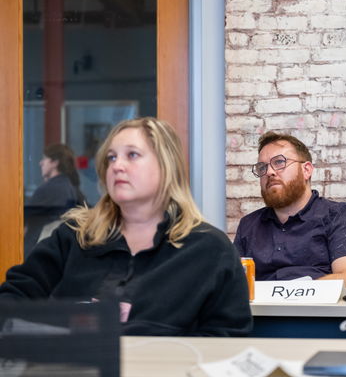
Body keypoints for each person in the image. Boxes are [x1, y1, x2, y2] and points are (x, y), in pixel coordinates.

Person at [2, 117, 252, 336]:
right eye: (111, 157)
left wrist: (140, 331)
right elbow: (10, 301)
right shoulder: (74, 236)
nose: (117, 166)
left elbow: (227, 340)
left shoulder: (210, 249)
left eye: (132, 155)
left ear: (166, 167)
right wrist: (75, 320)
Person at [234, 131, 346, 287]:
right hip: (260, 311)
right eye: (262, 167)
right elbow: (233, 286)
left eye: (279, 162)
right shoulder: (248, 225)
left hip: (319, 311)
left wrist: (282, 294)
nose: (270, 172)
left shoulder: (339, 216)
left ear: (306, 170)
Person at [24, 144, 86, 257]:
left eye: (44, 159)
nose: (40, 163)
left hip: (35, 253)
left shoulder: (51, 189)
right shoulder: (69, 187)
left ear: (54, 163)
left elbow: (21, 220)